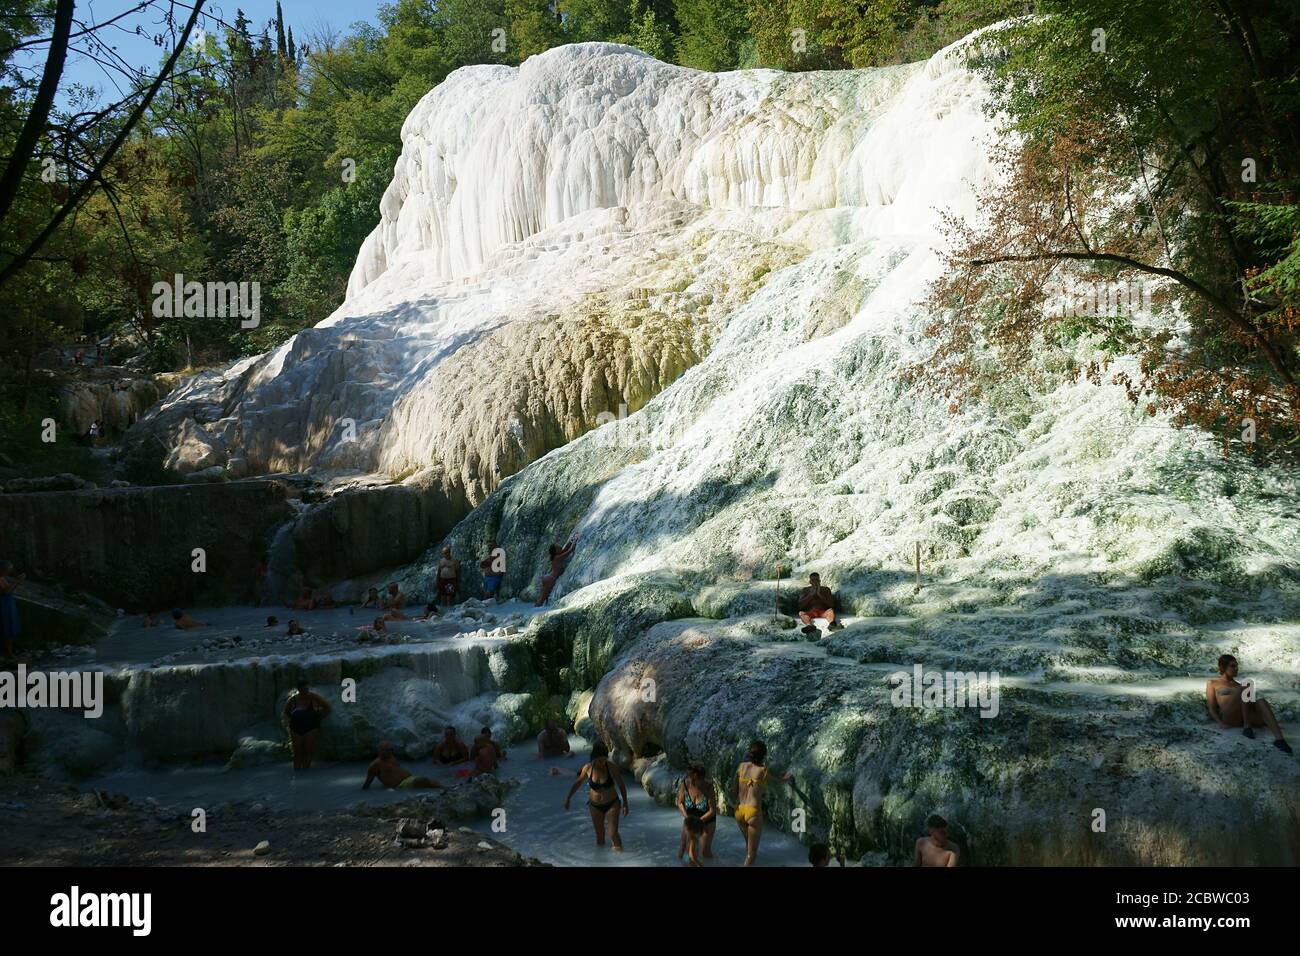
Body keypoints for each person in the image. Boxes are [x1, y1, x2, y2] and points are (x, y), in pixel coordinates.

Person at [1207, 654, 1293, 754]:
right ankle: (1247, 727)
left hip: (1241, 718)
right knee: (1248, 683)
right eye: (1233, 666)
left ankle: (1280, 740)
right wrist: (1220, 723)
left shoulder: (1238, 685)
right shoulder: (1213, 683)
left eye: (1237, 666)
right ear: (1223, 667)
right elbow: (1211, 708)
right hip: (1227, 716)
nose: (1236, 669)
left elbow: (1250, 704)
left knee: (1261, 701)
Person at [731, 740, 793, 866]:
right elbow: (779, 781)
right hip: (753, 812)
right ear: (764, 756)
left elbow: (733, 792)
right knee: (751, 854)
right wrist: (787, 777)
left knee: (749, 846)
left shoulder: (741, 767)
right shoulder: (763, 771)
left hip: (738, 810)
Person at [564, 741, 629, 850]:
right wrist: (568, 798)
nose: (603, 762)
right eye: (600, 760)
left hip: (612, 803)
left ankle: (620, 859)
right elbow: (577, 783)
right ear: (594, 757)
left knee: (613, 833)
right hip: (595, 806)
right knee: (599, 837)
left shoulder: (611, 767)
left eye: (605, 759)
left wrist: (625, 804)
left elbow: (621, 785)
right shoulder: (588, 768)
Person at [283, 680, 331, 770]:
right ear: (299, 690)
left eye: (307, 689)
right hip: (296, 727)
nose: (306, 691)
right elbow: (286, 711)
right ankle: (297, 775)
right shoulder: (293, 699)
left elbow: (327, 707)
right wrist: (293, 719)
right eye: (304, 689)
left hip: (311, 727)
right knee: (297, 752)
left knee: (308, 751)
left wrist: (320, 718)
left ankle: (306, 771)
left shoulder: (314, 697)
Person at [676, 762, 717, 861]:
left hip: (706, 821)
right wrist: (687, 817)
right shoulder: (685, 784)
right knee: (683, 847)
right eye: (700, 779)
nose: (702, 781)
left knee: (704, 852)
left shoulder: (708, 787)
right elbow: (680, 803)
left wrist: (699, 821)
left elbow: (712, 810)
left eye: (702, 778)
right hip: (690, 819)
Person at [363, 742, 443, 790]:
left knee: (430, 780)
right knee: (424, 780)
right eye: (385, 750)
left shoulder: (391, 756)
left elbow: (397, 769)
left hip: (409, 778)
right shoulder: (375, 765)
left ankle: (445, 789)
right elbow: (367, 784)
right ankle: (444, 789)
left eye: (390, 750)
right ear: (379, 750)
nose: (388, 752)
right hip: (400, 786)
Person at [535, 536, 577, 607]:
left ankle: (535, 607)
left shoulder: (557, 556)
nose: (560, 546)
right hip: (551, 579)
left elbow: (565, 548)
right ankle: (534, 610)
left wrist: (571, 540)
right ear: (556, 551)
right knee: (542, 598)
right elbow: (570, 550)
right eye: (558, 547)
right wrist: (575, 540)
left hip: (548, 577)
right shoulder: (557, 557)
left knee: (542, 595)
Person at [0, 561, 25, 658]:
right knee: (5, 628)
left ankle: (9, 652)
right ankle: (7, 652)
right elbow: (5, 591)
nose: (8, 572)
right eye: (7, 569)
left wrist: (17, 582)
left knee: (10, 628)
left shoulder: (2, 578)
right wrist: (16, 581)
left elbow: (9, 589)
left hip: (8, 604)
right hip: (3, 605)